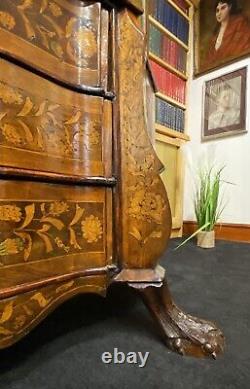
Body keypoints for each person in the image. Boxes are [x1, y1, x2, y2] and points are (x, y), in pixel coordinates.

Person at [202, 0, 250, 71]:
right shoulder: (214, 38)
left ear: (230, 7)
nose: (219, 13)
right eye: (217, 10)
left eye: (223, 8)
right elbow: (207, 63)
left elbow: (244, 44)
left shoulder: (239, 23)